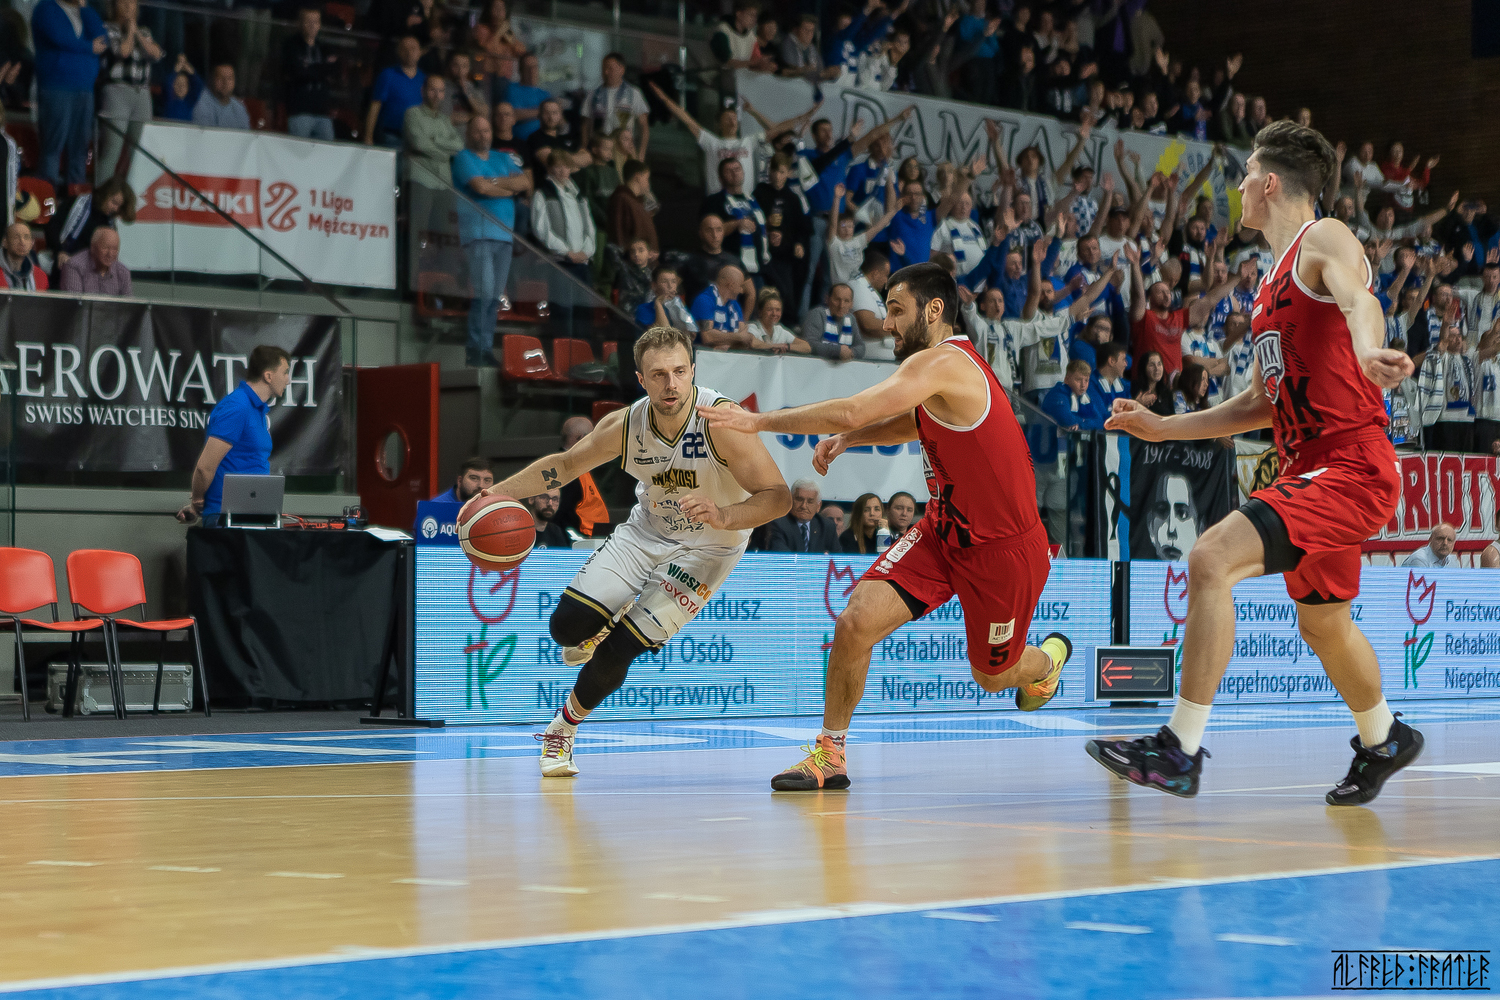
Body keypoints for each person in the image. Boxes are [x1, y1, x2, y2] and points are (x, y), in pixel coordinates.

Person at [1091, 121, 1425, 806]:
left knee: (1211, 558)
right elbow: (1258, 402)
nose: (1238, 186)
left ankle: (1179, 749)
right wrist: (1161, 428)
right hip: (1310, 469)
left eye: (1245, 173)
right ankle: (1384, 737)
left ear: (1269, 183)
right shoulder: (1269, 283)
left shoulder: (1325, 238)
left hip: (1351, 465)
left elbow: (1361, 299)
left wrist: (1368, 351)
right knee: (1322, 623)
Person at [700, 262, 1074, 790]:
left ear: (934, 310)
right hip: (942, 531)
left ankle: (1046, 662)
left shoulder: (946, 361)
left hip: (1002, 552)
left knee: (992, 676)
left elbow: (852, 409)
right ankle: (830, 755)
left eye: (897, 310)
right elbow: (917, 420)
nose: (886, 323)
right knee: (855, 622)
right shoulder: (940, 374)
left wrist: (758, 421)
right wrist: (854, 440)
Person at [470, 325, 790, 776]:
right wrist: (494, 496)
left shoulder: (722, 423)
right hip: (647, 531)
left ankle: (562, 730)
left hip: (710, 548)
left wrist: (724, 514)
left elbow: (778, 497)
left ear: (693, 370)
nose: (671, 384)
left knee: (620, 649)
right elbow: (564, 466)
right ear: (641, 379)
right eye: (658, 375)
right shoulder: (625, 426)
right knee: (565, 629)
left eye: (679, 371)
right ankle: (600, 624)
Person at [176, 346, 292, 525]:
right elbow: (204, 467)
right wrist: (197, 503)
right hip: (229, 520)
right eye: (285, 373)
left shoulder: (257, 409)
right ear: (268, 376)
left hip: (253, 515)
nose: (288, 380)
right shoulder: (237, 407)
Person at [452, 116, 531, 367]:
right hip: (478, 235)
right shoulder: (463, 157)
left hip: (504, 236)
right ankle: (475, 348)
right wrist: (507, 188)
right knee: (484, 293)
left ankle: (484, 347)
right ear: (469, 134)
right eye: (477, 131)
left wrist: (495, 183)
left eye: (486, 130)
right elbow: (480, 188)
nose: (483, 135)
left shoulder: (502, 157)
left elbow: (524, 183)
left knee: (494, 297)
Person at [31, 0, 106, 188]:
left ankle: (76, 195)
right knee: (52, 146)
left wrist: (84, 8)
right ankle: (48, 194)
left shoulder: (87, 12)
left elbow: (103, 40)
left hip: (85, 88)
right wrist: (88, 48)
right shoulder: (46, 8)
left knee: (80, 149)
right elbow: (60, 38)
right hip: (57, 87)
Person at [97, 0, 161, 179]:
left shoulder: (145, 31)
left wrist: (137, 32)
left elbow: (155, 54)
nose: (128, 6)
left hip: (142, 94)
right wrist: (131, 32)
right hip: (117, 91)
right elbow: (123, 52)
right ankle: (103, 191)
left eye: (132, 2)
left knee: (140, 153)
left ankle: (133, 192)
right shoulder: (108, 28)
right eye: (123, 2)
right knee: (112, 149)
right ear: (114, 5)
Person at [531, 152, 595, 286]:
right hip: (558, 262)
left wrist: (587, 251)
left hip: (582, 261)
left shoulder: (579, 196)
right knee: (562, 300)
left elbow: (589, 227)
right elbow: (541, 229)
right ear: (550, 169)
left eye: (566, 166)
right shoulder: (543, 194)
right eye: (557, 166)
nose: (562, 170)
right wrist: (566, 252)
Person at [282, 6, 336, 141]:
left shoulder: (324, 47)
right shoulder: (291, 46)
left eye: (316, 22)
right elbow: (297, 72)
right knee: (299, 149)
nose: (312, 25)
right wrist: (322, 69)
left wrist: (310, 69)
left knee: (327, 149)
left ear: (320, 25)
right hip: (299, 111)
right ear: (300, 23)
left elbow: (334, 71)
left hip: (322, 112)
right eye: (308, 21)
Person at [581, 52, 649, 158]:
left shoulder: (633, 94)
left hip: (623, 151)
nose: (606, 72)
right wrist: (584, 148)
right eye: (604, 69)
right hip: (600, 152)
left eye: (610, 68)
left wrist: (641, 154)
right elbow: (586, 125)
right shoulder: (593, 95)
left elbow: (644, 126)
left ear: (621, 70)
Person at [365, 35, 425, 148]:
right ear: (398, 52)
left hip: (417, 139)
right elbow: (375, 105)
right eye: (405, 49)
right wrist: (368, 136)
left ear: (420, 52)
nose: (409, 52)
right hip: (391, 135)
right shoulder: (388, 75)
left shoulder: (424, 79)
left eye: (413, 48)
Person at [554, 416, 609, 538]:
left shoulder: (579, 466)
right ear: (581, 438)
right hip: (580, 542)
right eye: (592, 438)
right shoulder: (566, 469)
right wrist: (575, 541)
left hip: (594, 539)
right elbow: (561, 513)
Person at [764, 479, 840, 552]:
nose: (804, 506)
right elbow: (782, 555)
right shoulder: (778, 524)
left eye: (810, 501)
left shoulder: (827, 527)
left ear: (818, 506)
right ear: (790, 501)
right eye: (799, 499)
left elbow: (838, 557)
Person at [691, 264, 755, 350]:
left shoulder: (735, 305)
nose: (741, 291)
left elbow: (745, 337)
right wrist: (738, 337)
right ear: (731, 285)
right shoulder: (704, 300)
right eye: (740, 286)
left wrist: (770, 346)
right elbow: (708, 336)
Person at [606, 159, 658, 255]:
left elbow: (654, 209)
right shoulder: (621, 199)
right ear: (637, 177)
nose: (648, 183)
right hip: (632, 260)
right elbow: (618, 234)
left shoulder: (639, 201)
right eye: (646, 178)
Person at [58, 227, 131, 295]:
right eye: (105, 248)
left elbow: (128, 303)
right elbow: (74, 302)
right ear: (93, 247)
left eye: (114, 249)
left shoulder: (122, 272)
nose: (110, 254)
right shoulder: (74, 266)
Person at [800, 282, 861, 361]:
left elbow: (861, 346)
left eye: (846, 301)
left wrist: (851, 353)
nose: (841, 306)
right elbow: (809, 344)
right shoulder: (818, 314)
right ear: (827, 299)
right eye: (837, 300)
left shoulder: (851, 319)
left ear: (851, 304)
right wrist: (837, 351)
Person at [1043, 359, 1105, 430]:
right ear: (1067, 379)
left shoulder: (1084, 397)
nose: (1083, 385)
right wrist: (1084, 421)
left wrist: (1080, 424)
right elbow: (1067, 420)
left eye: (1086, 380)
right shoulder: (1057, 394)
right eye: (1078, 380)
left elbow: (1100, 422)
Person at [637, 264, 696, 335]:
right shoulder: (644, 309)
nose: (670, 286)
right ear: (654, 285)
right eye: (664, 282)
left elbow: (691, 333)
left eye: (673, 282)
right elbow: (664, 334)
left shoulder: (678, 306)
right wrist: (658, 304)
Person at [191, 62, 249, 130]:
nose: (225, 83)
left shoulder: (239, 107)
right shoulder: (200, 103)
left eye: (229, 78)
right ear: (211, 79)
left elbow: (246, 134)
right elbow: (206, 135)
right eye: (220, 78)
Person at [0, 223, 49, 291]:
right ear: (5, 242)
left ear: (32, 243)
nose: (22, 242)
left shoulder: (40, 276)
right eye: (16, 237)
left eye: (26, 237)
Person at [1131, 349, 1175, 417]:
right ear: (1144, 368)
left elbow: (1172, 417)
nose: (1157, 369)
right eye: (1152, 365)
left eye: (1159, 364)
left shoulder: (1166, 392)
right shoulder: (1134, 389)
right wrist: (1138, 403)